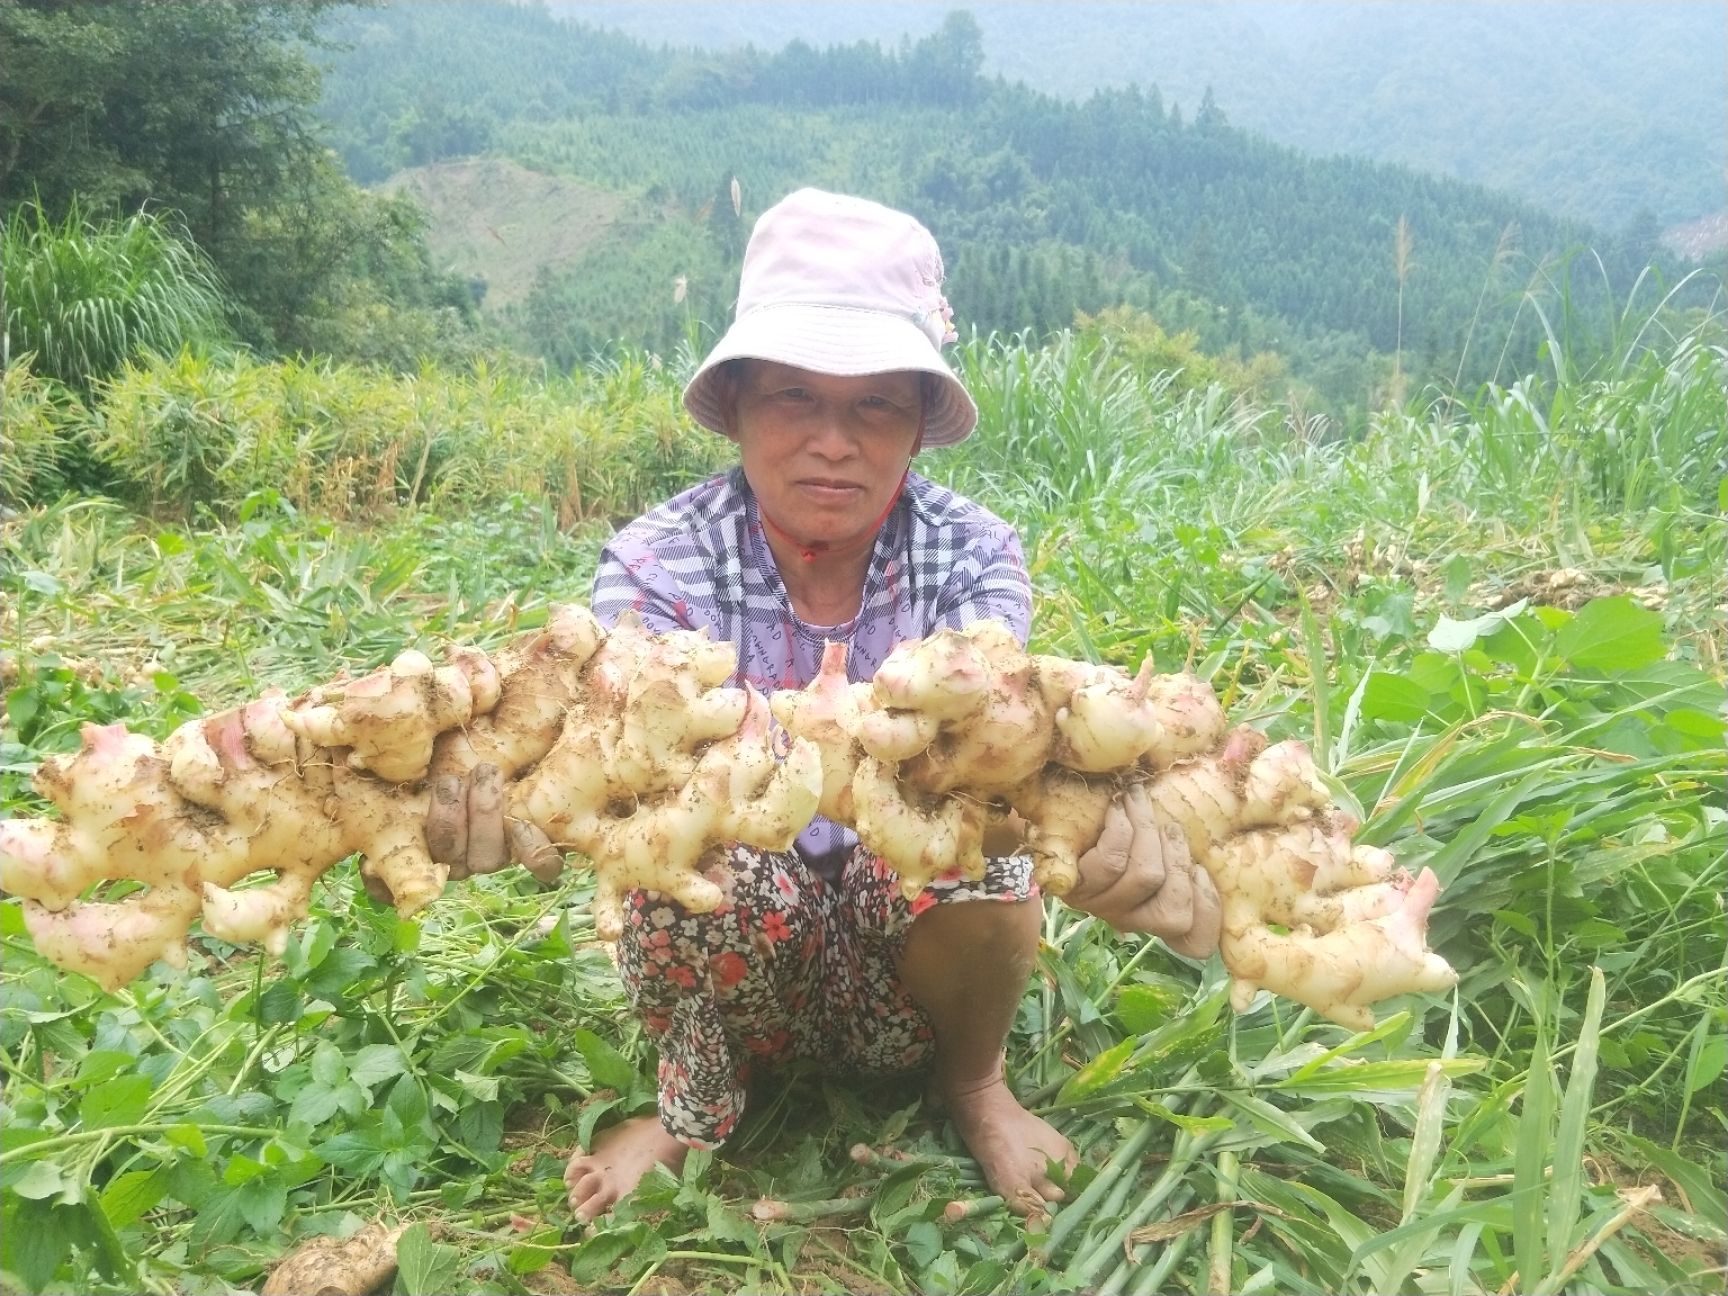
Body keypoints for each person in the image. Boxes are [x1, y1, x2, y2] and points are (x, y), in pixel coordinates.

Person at [427, 188, 1221, 1221]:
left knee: (995, 834)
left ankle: (973, 1082)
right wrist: (511, 807)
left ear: (918, 428)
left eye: (873, 406)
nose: (833, 442)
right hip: (736, 944)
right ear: (742, 404)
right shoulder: (657, 560)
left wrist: (1111, 823)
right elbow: (614, 769)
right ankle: (700, 1100)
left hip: (912, 958)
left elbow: (1002, 754)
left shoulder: (972, 552)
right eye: (796, 398)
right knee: (682, 848)